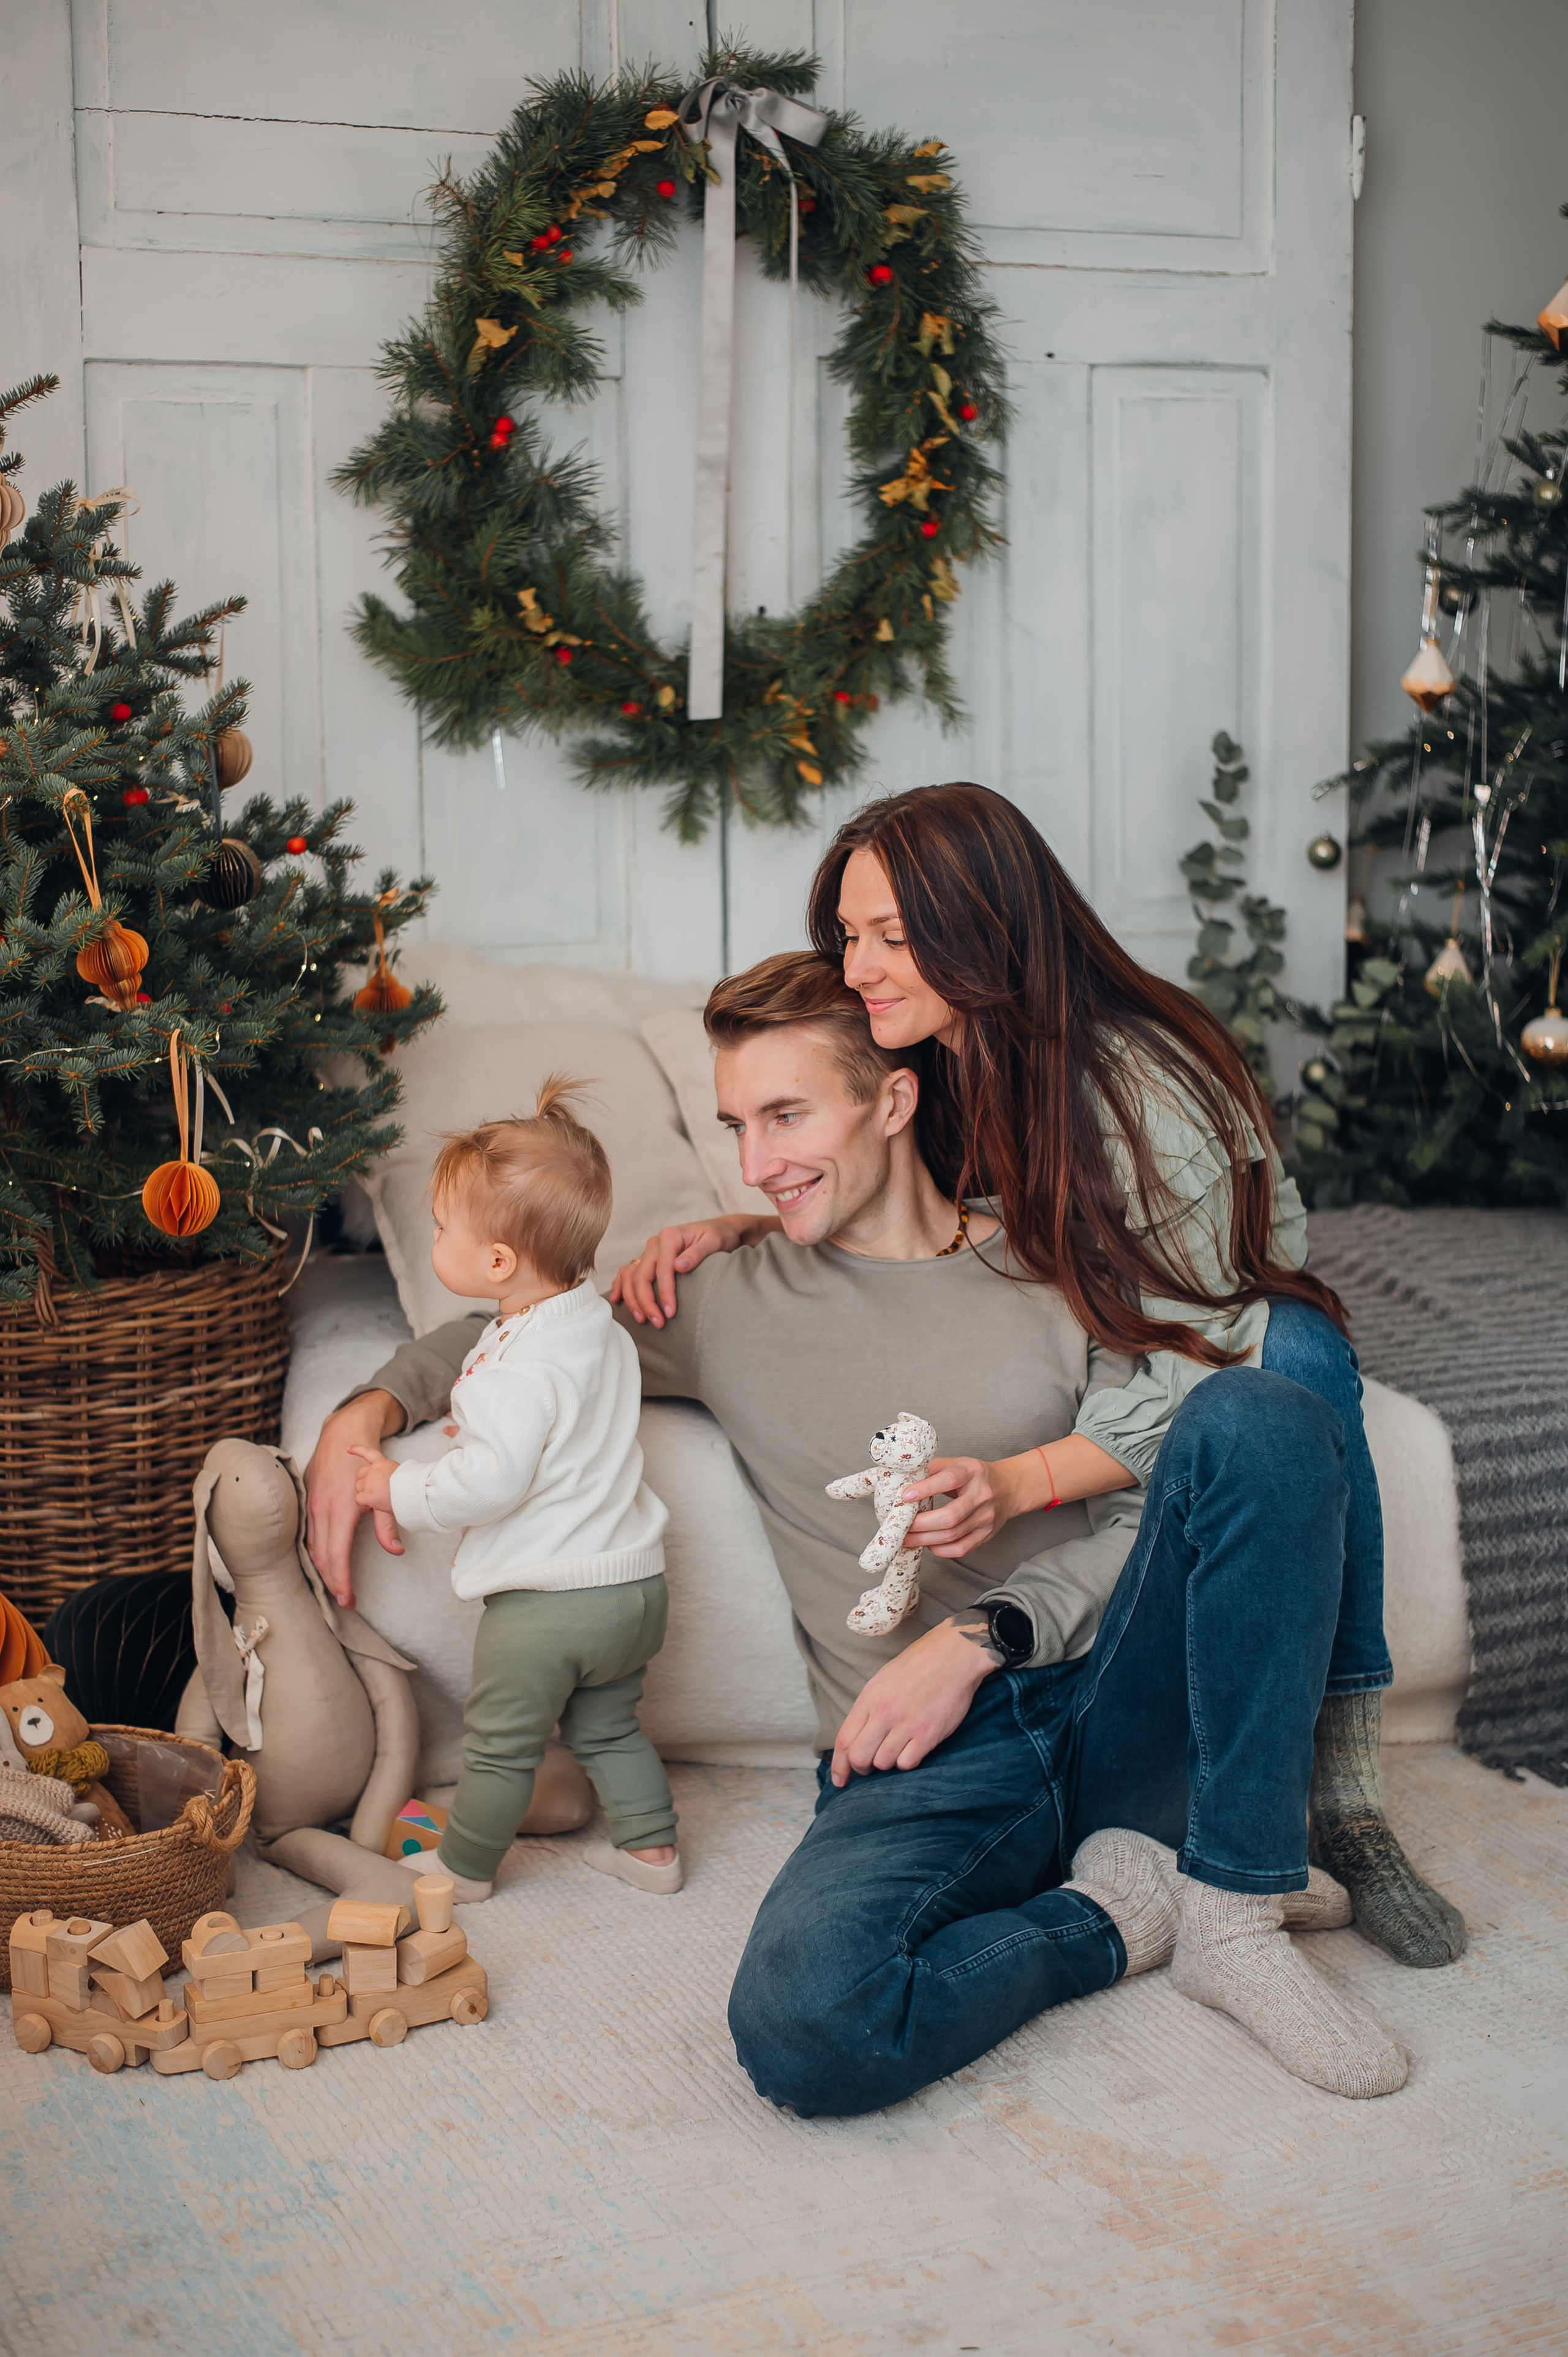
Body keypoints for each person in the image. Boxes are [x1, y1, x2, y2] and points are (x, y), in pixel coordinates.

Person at [307, 956, 1407, 2113]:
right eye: (738, 1124)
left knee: (1265, 1409)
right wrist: (364, 1416)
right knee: (805, 2024)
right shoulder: (726, 1300)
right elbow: (511, 1341)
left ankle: (1234, 1898)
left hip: (1114, 1694)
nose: (757, 1162)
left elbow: (1155, 1503)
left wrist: (986, 1632)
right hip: (921, 1761)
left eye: (787, 1115)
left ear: (892, 1101)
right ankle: (1123, 1911)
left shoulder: (1051, 1268)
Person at [613, 784, 1466, 1973]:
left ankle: (1344, 1787)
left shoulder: (1141, 1085)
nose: (857, 965)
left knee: (1298, 1352)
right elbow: (891, 1186)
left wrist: (1018, 1481)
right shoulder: (935, 1057)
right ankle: (1145, 1883)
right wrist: (751, 1214)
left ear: (983, 925)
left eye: (890, 937)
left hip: (1206, 1316)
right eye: (847, 933)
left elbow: (1204, 1332)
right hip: (1118, 1339)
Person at [342, 1080, 681, 1902]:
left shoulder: (513, 1368)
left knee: (498, 1748)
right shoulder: (593, 1326)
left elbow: (491, 1483)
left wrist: (402, 1483)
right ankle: (652, 1853)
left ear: (497, 1262)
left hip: (549, 1601)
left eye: (439, 1228)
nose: (432, 1237)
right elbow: (566, 1426)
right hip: (633, 1587)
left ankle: (464, 1871)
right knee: (608, 1726)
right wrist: (490, 1422)